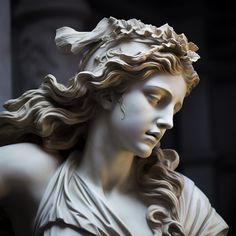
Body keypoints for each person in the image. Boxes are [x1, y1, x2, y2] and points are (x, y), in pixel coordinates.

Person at [0, 17, 228, 236]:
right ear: (108, 94)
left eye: (174, 109)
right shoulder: (34, 172)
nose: (168, 121)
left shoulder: (183, 201)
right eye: (155, 99)